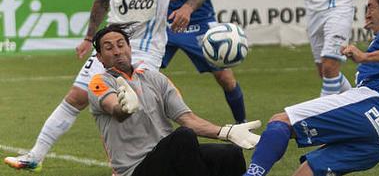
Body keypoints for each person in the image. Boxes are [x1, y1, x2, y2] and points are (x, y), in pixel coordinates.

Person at [4, 0, 207, 171]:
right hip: (110, 43)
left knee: (134, 103)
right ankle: (36, 155)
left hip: (145, 48)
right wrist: (90, 38)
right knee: (77, 96)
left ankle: (135, 166)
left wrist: (188, 8)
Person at [242, 0, 379, 176]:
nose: (367, 14)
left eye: (371, 7)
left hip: (375, 109)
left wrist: (365, 57)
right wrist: (335, 78)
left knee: (281, 122)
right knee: (305, 173)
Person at [87, 24, 260, 176]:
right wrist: (124, 108)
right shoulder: (100, 82)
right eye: (108, 48)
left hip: (169, 157)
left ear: (130, 48)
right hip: (136, 168)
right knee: (183, 137)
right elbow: (114, 109)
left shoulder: (156, 78)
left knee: (231, 154)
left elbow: (188, 119)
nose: (117, 51)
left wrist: (227, 132)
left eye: (120, 44)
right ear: (100, 57)